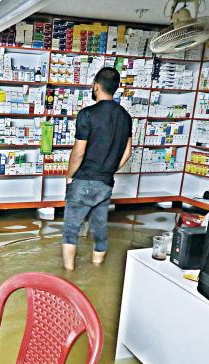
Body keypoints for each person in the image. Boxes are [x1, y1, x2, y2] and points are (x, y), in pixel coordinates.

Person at [61, 67, 132, 271]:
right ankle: (97, 268)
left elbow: (78, 153)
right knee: (99, 230)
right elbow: (127, 152)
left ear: (96, 86)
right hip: (106, 183)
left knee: (71, 230)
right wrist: (109, 170)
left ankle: (69, 274)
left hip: (83, 180)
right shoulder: (125, 117)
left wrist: (69, 176)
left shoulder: (87, 114)